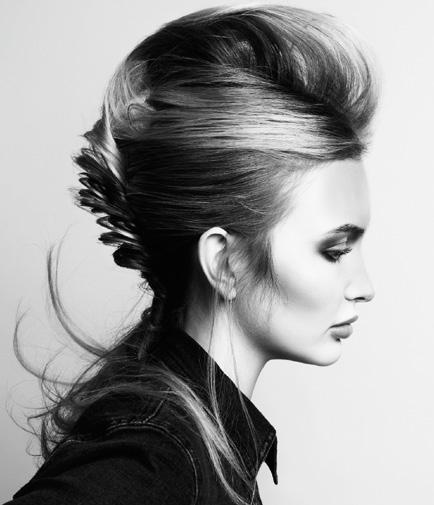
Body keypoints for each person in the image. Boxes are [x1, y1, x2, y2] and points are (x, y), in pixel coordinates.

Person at [5, 4, 378, 505]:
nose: (365, 287)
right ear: (224, 263)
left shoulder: (194, 439)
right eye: (334, 251)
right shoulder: (157, 458)